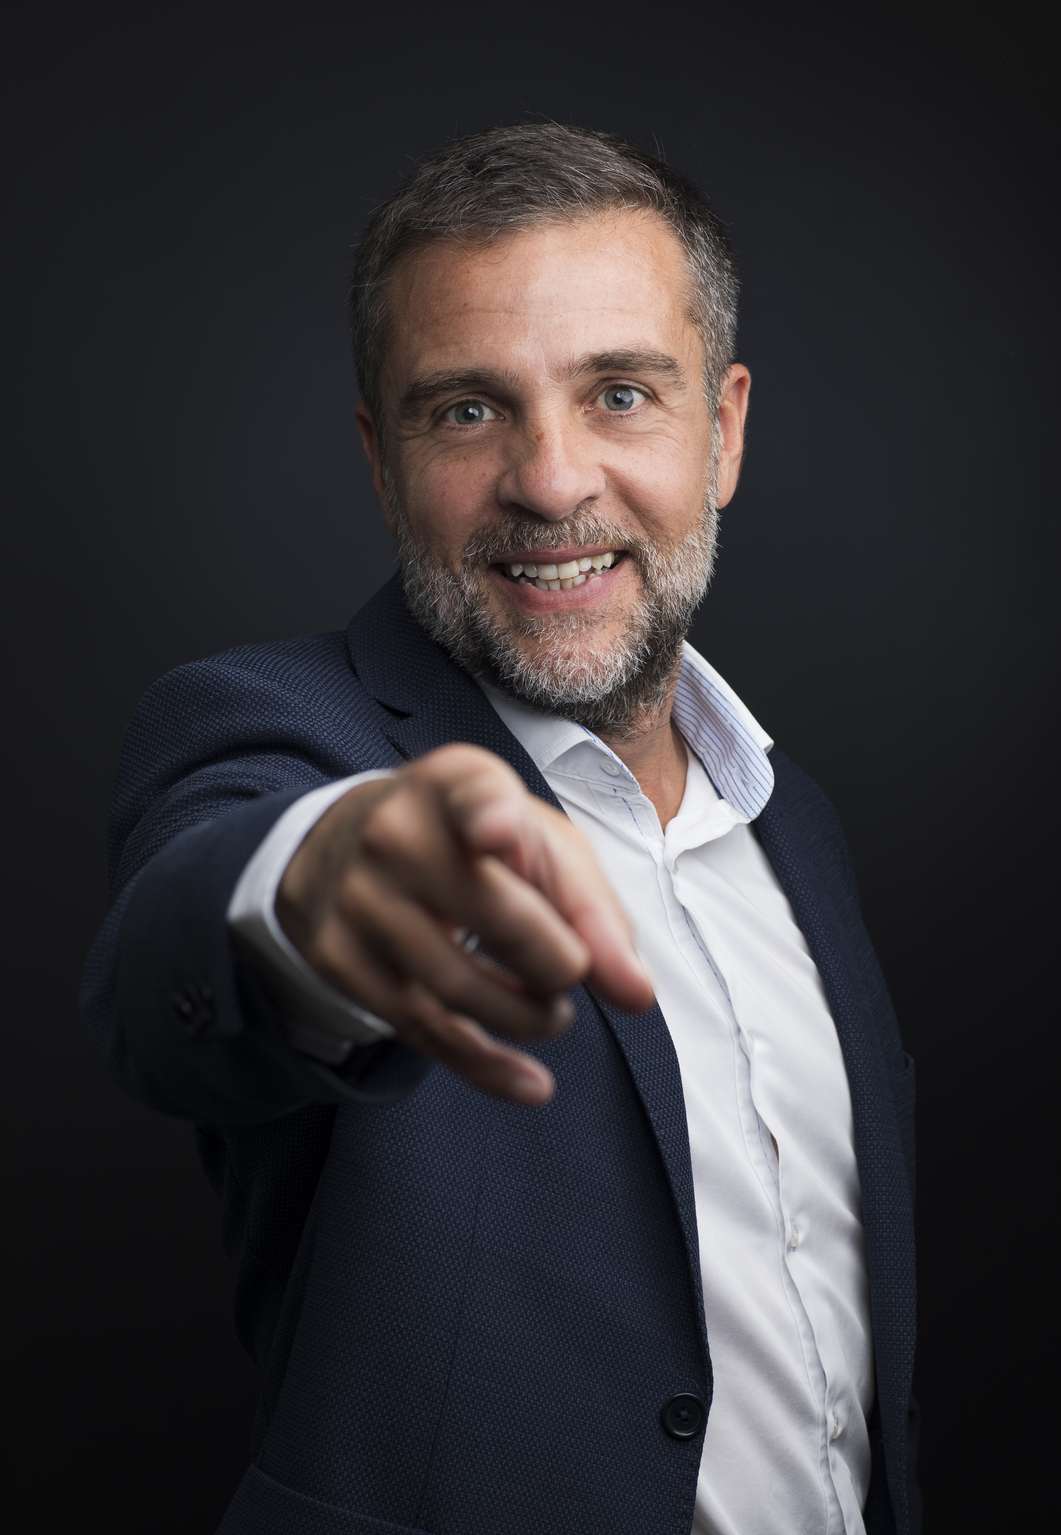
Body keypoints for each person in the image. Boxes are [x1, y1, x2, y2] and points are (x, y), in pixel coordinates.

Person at [82, 123, 919, 1535]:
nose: (547, 480)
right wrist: (317, 894)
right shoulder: (270, 733)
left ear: (720, 431)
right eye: (465, 410)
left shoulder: (798, 830)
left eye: (618, 395)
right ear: (379, 458)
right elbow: (183, 945)